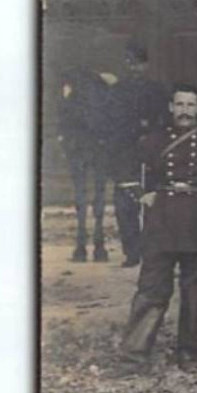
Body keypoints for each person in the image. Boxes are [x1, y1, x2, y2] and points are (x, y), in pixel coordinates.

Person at [118, 84, 197, 369]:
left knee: (194, 290)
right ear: (171, 108)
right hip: (162, 219)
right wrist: (141, 193)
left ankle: (189, 351)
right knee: (152, 286)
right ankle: (134, 352)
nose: (185, 111)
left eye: (191, 105)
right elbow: (125, 168)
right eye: (179, 105)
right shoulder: (154, 140)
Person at [106, 41, 169, 268]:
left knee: (152, 200)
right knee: (126, 204)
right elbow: (110, 123)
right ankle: (131, 251)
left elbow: (164, 119)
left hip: (152, 153)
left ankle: (154, 248)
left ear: (147, 65)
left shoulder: (158, 90)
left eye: (139, 64)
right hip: (125, 152)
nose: (135, 69)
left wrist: (152, 133)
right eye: (131, 64)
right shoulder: (116, 91)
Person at [57, 63, 113, 263]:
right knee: (97, 193)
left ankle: (84, 243)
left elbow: (63, 121)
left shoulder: (73, 90)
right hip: (95, 145)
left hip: (83, 146)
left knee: (83, 194)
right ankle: (96, 244)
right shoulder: (103, 88)